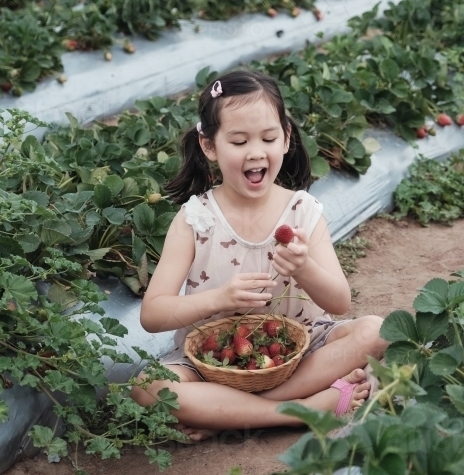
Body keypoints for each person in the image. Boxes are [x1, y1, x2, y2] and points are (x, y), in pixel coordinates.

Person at [130, 70, 388, 442]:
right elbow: (153, 315)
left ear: (285, 138)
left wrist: (304, 268)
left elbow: (340, 301)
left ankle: (227, 413)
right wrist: (218, 299)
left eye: (268, 138)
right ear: (209, 146)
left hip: (304, 352)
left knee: (376, 332)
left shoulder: (303, 211)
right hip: (213, 358)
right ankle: (298, 411)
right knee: (148, 387)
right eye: (238, 141)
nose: (256, 151)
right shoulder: (195, 219)